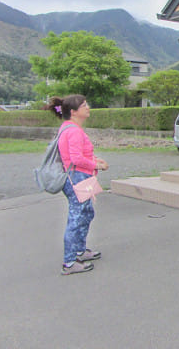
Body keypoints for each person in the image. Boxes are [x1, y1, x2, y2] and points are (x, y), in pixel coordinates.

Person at [45, 95, 109, 275]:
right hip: (77, 178)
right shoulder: (73, 131)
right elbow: (75, 159)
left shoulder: (68, 128)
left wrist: (95, 159)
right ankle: (70, 262)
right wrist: (97, 165)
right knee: (76, 217)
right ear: (73, 112)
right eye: (84, 105)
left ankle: (80, 251)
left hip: (81, 177)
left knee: (86, 213)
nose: (88, 107)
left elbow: (77, 156)